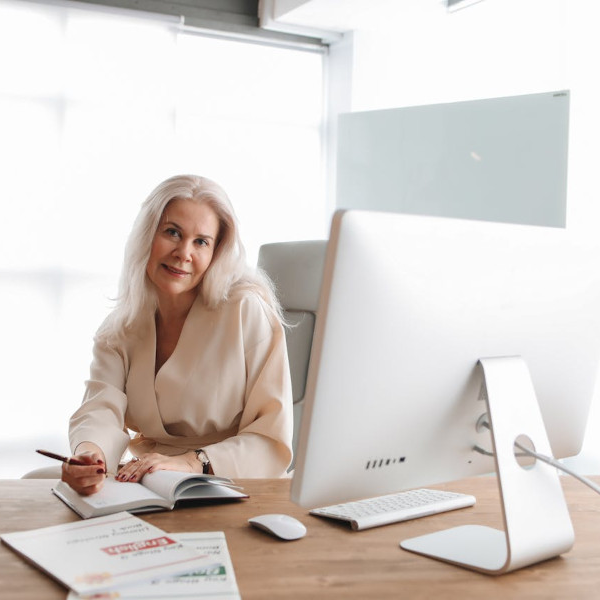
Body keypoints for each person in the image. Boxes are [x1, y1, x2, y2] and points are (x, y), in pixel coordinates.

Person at [62, 175, 293, 495]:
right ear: (148, 236)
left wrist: (194, 461)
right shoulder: (120, 327)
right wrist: (92, 455)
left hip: (235, 480)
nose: (184, 252)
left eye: (201, 241)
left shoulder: (246, 309)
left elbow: (271, 436)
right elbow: (100, 407)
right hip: (151, 480)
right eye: (172, 232)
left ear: (216, 251)